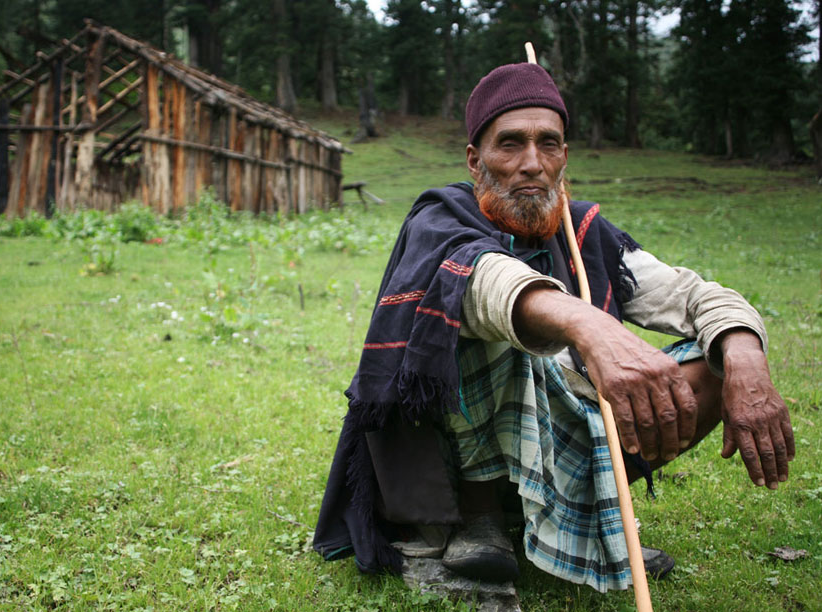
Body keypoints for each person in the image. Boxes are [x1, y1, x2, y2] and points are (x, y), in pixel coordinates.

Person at [312, 63, 794, 592]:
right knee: (506, 325)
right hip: (454, 457)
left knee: (714, 362)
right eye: (510, 145)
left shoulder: (585, 232)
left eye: (549, 144)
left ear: (565, 157)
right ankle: (481, 519)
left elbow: (694, 295)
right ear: (476, 160)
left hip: (562, 426)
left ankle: (575, 513)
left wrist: (743, 355)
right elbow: (486, 284)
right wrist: (587, 325)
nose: (532, 164)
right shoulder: (441, 218)